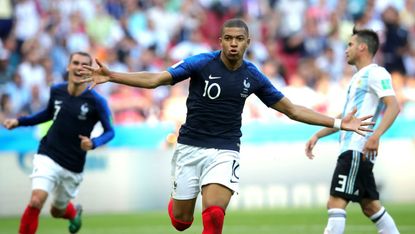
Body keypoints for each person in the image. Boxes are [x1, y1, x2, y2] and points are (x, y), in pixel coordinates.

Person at [81, 18, 373, 234]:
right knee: (181, 222)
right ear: (220, 41)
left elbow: (292, 109)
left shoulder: (252, 75)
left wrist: (339, 122)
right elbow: (157, 79)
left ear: (247, 42)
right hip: (189, 148)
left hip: (224, 149)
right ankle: (179, 206)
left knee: (214, 215)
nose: (233, 43)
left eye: (239, 39)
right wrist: (114, 76)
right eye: (229, 38)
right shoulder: (201, 63)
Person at [2, 51, 115, 234]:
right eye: (76, 63)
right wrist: (19, 122)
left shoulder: (97, 101)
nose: (79, 67)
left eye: (84, 64)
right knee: (36, 201)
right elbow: (47, 114)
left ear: (90, 70)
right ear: (68, 66)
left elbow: (110, 132)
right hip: (49, 153)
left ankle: (72, 214)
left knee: (56, 211)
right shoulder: (57, 91)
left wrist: (94, 143)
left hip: (73, 164)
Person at [305, 27, 400, 234]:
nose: (346, 49)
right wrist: (318, 134)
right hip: (355, 150)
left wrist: (376, 136)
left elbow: (393, 105)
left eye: (350, 44)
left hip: (356, 149)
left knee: (335, 203)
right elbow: (346, 118)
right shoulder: (359, 77)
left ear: (362, 47)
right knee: (370, 206)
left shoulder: (376, 73)